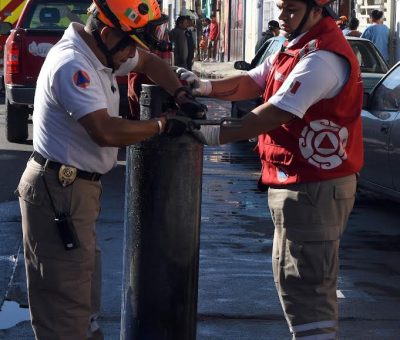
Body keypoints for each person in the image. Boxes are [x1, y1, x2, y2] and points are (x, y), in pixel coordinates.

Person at [15, 0, 204, 339]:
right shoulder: (74, 65)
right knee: (66, 312)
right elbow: (105, 131)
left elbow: (147, 61)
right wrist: (161, 125)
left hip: (75, 192)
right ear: (107, 33)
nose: (130, 55)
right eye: (129, 44)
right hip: (60, 192)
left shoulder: (99, 51)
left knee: (83, 302)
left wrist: (179, 92)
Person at [177, 0, 364, 338]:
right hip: (299, 182)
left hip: (314, 186)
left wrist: (216, 133)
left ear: (317, 11)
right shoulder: (294, 48)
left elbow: (278, 110)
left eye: (291, 9)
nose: (282, 16)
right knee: (294, 280)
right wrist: (204, 87)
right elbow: (254, 80)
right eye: (281, 7)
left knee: (308, 288)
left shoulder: (323, 58)